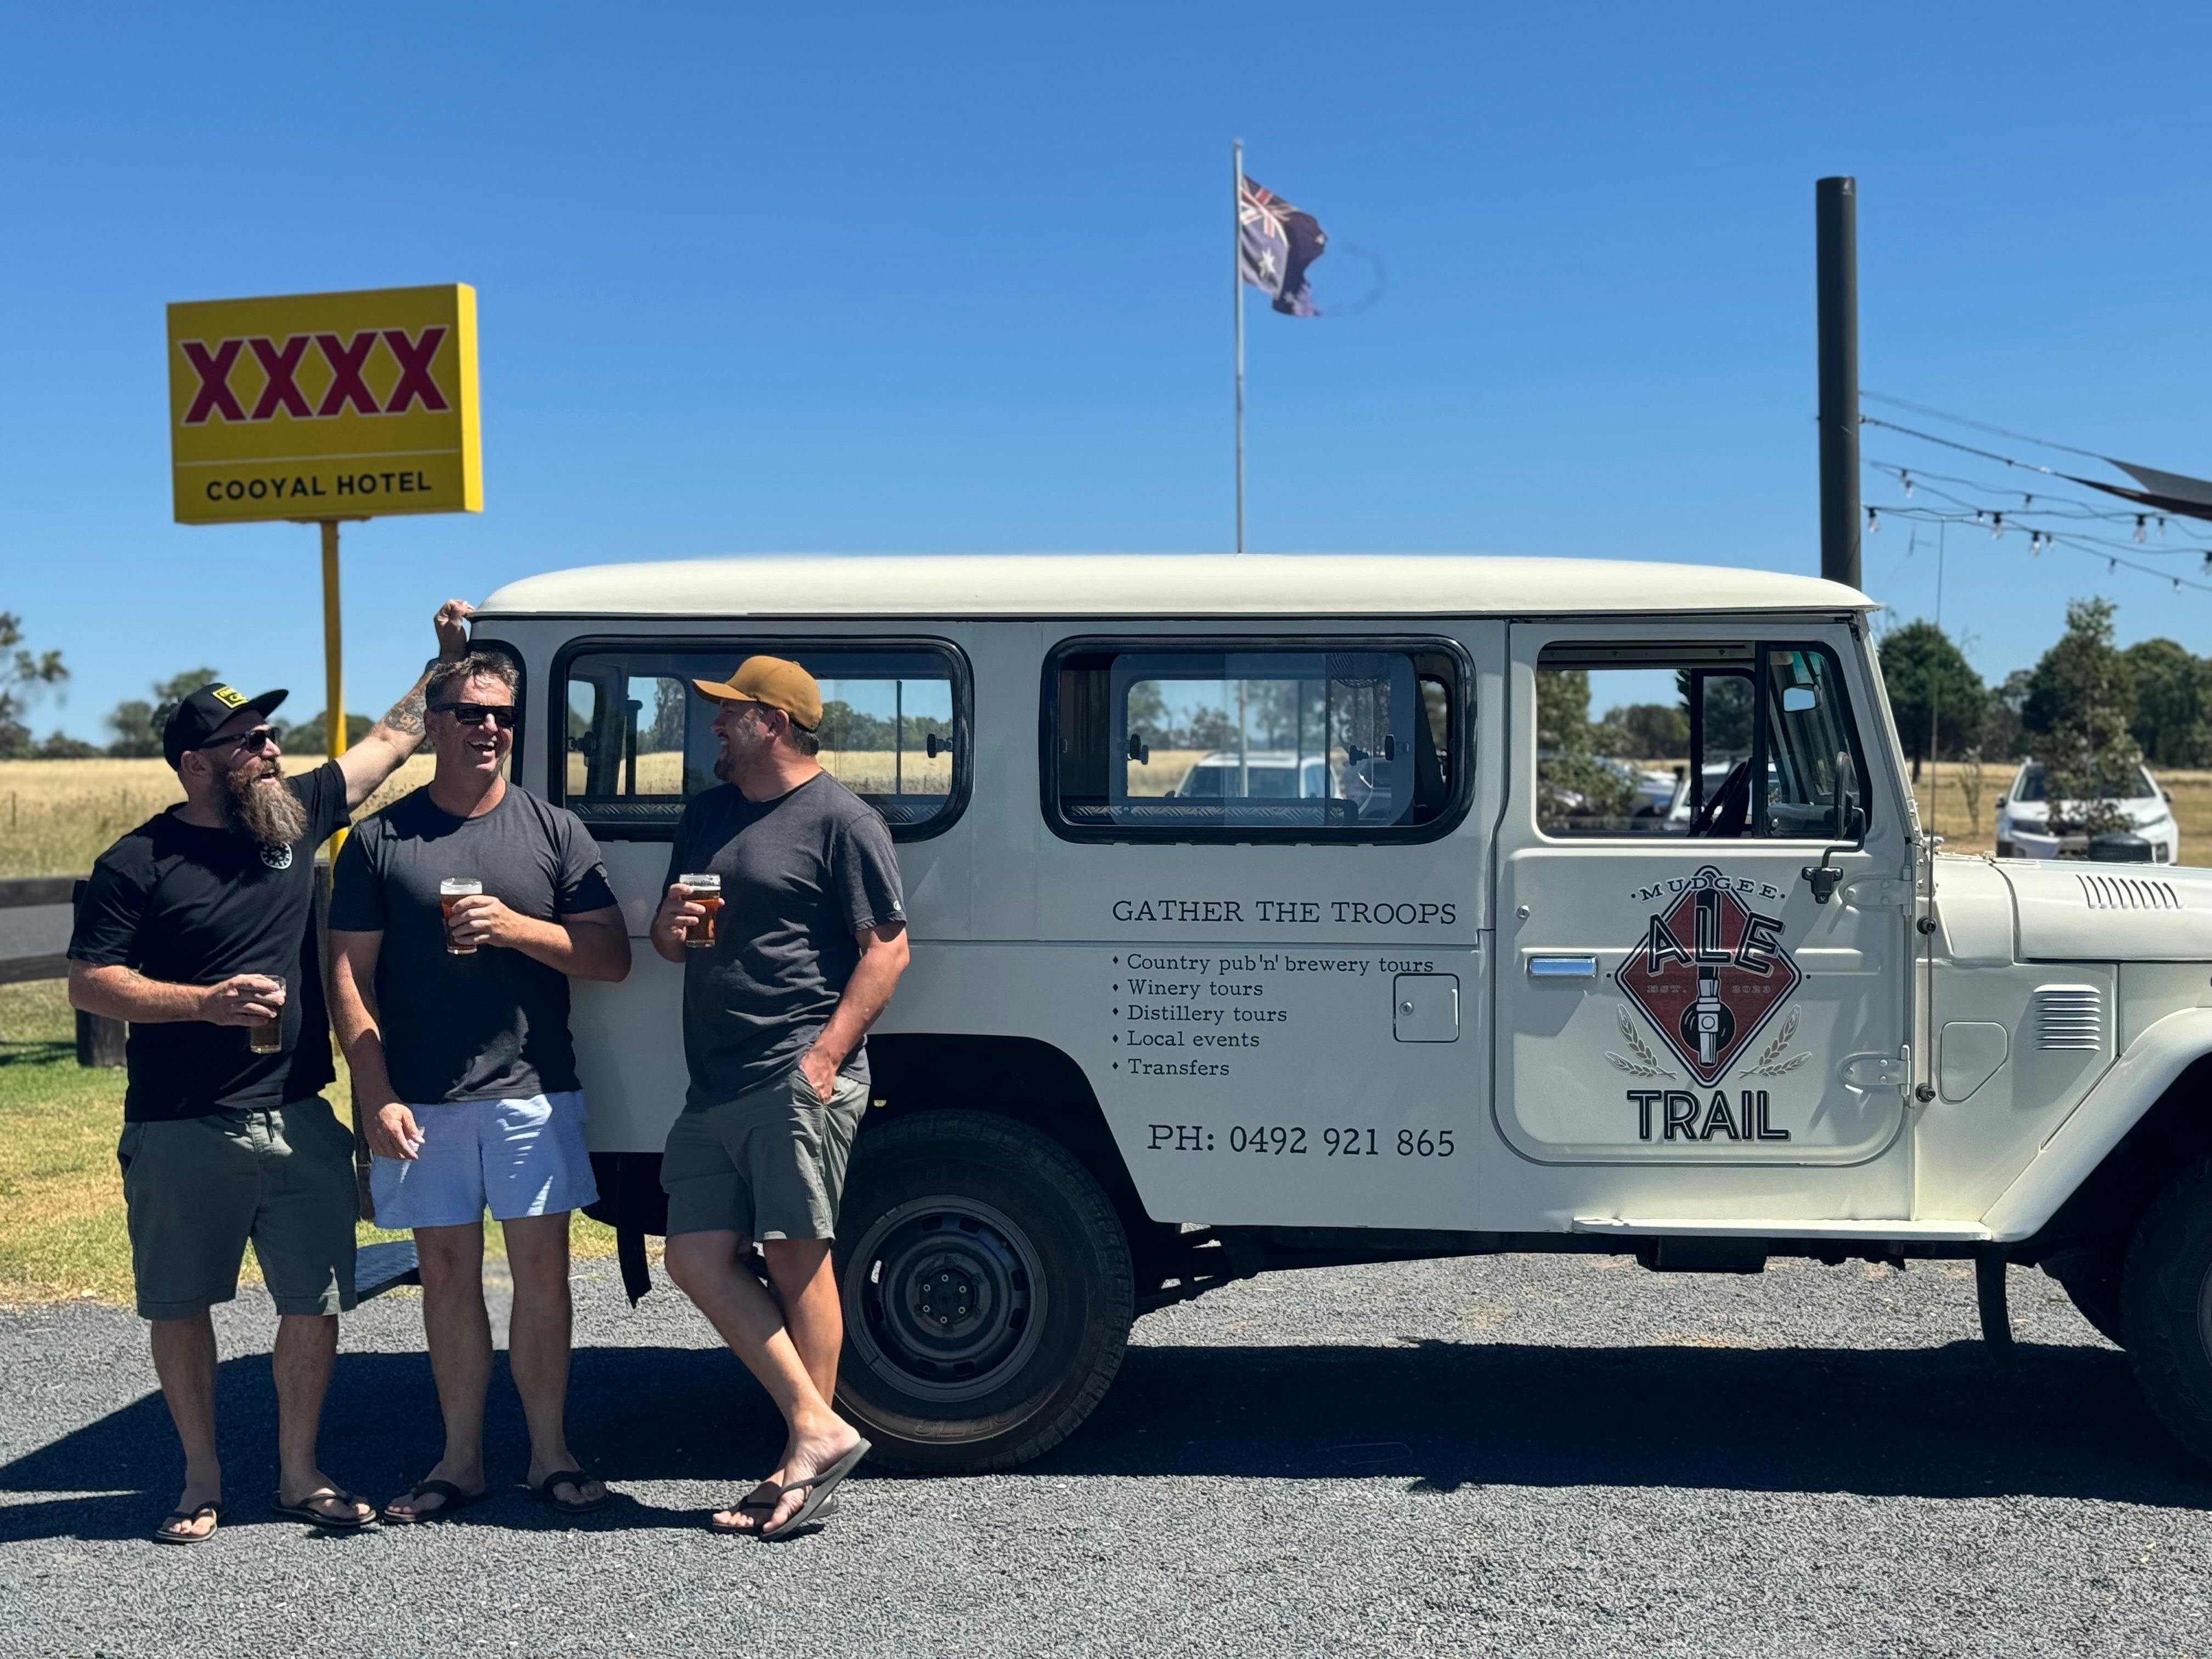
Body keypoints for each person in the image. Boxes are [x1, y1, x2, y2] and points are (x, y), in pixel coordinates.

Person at [67, 601, 476, 1545]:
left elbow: (389, 742)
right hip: (180, 1124)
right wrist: (202, 1002)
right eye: (248, 739)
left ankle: (298, 1472)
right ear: (196, 763)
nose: (268, 746)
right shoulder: (138, 862)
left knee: (315, 1303)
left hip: (299, 1117)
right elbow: (93, 984)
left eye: (268, 732)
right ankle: (200, 1479)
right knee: (181, 1308)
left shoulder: (291, 819)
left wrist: (442, 660)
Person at [328, 651, 631, 1523]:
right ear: (436, 722)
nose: (488, 728)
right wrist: (374, 1090)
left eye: (501, 714)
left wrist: (517, 928)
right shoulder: (384, 838)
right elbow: (350, 976)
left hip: (534, 1091)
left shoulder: (553, 830)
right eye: (469, 713)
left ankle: (550, 1455)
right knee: (448, 1275)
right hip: (421, 1098)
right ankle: (459, 1460)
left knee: (543, 1277)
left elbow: (608, 959)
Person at [650, 655, 910, 1537]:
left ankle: (802, 1466)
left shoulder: (842, 819)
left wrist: (828, 1056)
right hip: (714, 1077)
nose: (714, 726)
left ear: (773, 721)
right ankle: (817, 1428)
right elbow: (666, 937)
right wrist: (672, 929)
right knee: (693, 1254)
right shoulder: (707, 814)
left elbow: (888, 950)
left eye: (728, 714)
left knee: (799, 1258)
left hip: (794, 1071)